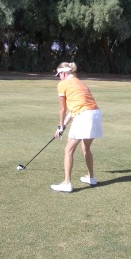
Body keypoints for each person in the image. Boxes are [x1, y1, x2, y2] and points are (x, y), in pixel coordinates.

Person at [51, 62, 103, 193]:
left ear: (63, 72)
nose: (59, 78)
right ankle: (91, 178)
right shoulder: (80, 82)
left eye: (59, 75)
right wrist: (62, 126)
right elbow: (73, 110)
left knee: (68, 150)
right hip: (95, 114)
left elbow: (63, 109)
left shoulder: (62, 84)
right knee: (86, 147)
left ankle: (67, 183)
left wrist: (59, 125)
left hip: (84, 116)